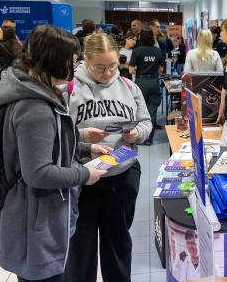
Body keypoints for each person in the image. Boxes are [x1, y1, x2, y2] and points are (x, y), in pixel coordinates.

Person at [0, 25, 108, 282]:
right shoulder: (35, 108)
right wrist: (84, 174)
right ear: (54, 59)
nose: (75, 68)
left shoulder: (33, 93)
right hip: (35, 224)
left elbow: (47, 148)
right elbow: (38, 173)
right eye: (72, 61)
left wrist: (84, 147)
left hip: (36, 218)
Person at [64, 33, 152, 282]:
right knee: (81, 247)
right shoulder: (69, 89)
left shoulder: (127, 86)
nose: (107, 73)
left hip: (121, 175)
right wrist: (81, 135)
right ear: (85, 61)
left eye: (112, 65)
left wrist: (138, 133)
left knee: (118, 242)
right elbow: (56, 133)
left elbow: (145, 121)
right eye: (99, 67)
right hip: (82, 178)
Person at [129, 29, 165, 141]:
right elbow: (161, 68)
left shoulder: (137, 51)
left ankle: (140, 137)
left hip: (141, 82)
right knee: (152, 111)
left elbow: (131, 70)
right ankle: (149, 139)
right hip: (154, 81)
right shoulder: (157, 51)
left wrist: (141, 71)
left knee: (139, 110)